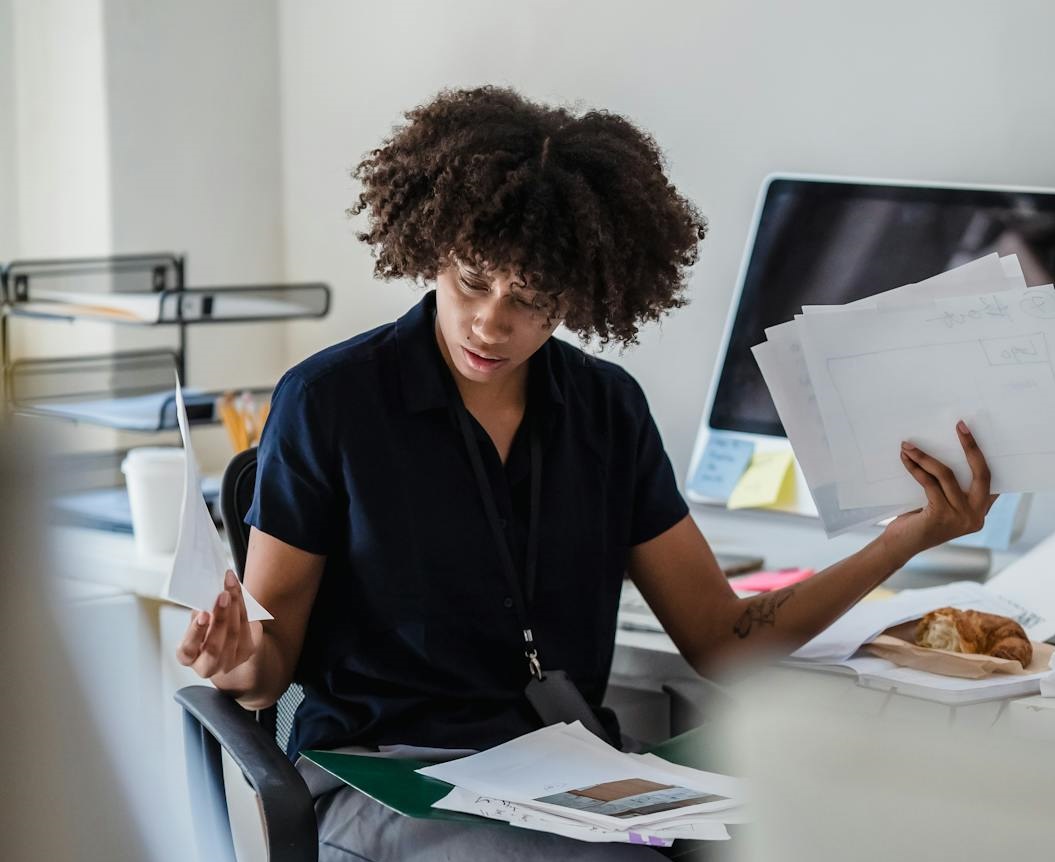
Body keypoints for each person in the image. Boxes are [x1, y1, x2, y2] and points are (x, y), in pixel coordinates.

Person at [176, 86, 996, 860]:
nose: (491, 320)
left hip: (569, 775)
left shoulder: (606, 410)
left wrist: (905, 538)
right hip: (387, 777)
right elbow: (267, 671)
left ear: (578, 297)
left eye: (530, 299)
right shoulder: (330, 402)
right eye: (471, 281)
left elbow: (719, 639)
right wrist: (236, 656)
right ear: (431, 250)